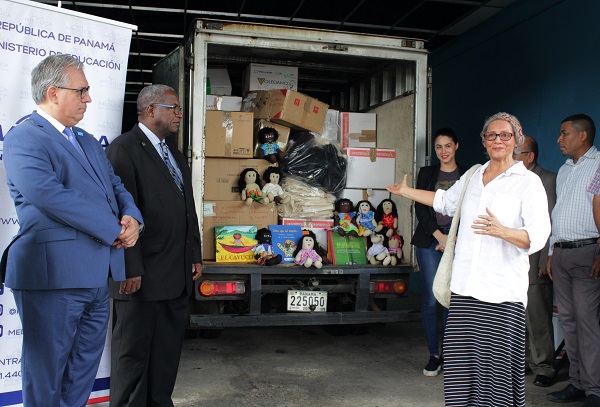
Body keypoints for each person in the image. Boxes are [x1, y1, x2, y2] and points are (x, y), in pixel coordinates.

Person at [0, 54, 142, 407]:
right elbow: (51, 196)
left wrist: (132, 216)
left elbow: (116, 185)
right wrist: (112, 228)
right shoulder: (24, 137)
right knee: (46, 370)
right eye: (81, 91)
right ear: (53, 93)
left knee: (83, 368)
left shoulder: (86, 139)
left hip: (97, 274)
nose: (88, 99)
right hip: (53, 275)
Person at [387, 112, 551, 406]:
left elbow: (538, 235)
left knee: (496, 372)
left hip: (502, 294)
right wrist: (406, 191)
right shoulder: (474, 175)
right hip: (464, 290)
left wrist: (504, 232)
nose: (498, 140)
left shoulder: (528, 182)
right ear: (484, 142)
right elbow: (444, 202)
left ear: (517, 140)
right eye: (491, 135)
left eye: (505, 135)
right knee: (462, 368)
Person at [105, 84, 202, 406]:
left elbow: (187, 209)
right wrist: (129, 267)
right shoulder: (124, 149)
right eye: (173, 107)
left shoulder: (173, 154)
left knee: (165, 352)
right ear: (150, 110)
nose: (179, 114)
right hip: (141, 276)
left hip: (175, 274)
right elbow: (120, 213)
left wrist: (194, 254)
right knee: (132, 356)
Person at [546, 114, 600, 407]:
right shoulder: (565, 169)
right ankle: (578, 383)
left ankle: (595, 389)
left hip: (587, 251)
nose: (559, 139)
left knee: (587, 322)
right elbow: (558, 213)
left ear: (582, 136)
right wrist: (553, 252)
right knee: (568, 322)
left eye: (564, 133)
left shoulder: (599, 164)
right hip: (562, 253)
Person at [410, 127, 466, 377]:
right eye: (438, 147)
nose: (443, 151)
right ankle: (435, 354)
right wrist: (438, 235)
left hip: (459, 243)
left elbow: (470, 210)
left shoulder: (468, 175)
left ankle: (454, 355)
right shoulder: (427, 173)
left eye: (447, 146)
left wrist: (451, 240)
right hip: (430, 240)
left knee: (455, 301)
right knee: (432, 299)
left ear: (456, 146)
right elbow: (421, 208)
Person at [518, 135, 557, 388]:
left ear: (530, 156)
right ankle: (523, 361)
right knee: (517, 316)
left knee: (537, 317)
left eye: (517, 154)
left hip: (535, 261)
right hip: (513, 260)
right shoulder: (512, 180)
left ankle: (544, 366)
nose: (512, 159)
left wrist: (545, 260)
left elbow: (550, 222)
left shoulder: (548, 179)